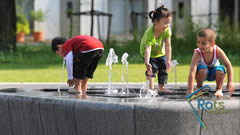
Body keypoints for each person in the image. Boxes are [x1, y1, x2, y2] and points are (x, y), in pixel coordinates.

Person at [186, 28, 235, 97]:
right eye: (198, 42)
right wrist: (190, 90)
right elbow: (192, 72)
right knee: (203, 70)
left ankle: (219, 89)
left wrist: (230, 82)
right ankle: (199, 87)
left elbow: (228, 65)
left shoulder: (217, 51)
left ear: (212, 44)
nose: (200, 45)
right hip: (202, 73)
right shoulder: (197, 53)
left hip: (214, 73)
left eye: (203, 43)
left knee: (220, 70)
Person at [139, 5, 172, 94]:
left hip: (160, 53)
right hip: (147, 53)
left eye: (169, 23)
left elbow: (168, 45)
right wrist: (147, 63)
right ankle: (151, 89)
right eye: (165, 23)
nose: (167, 25)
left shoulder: (167, 30)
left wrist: (168, 60)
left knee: (163, 68)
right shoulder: (149, 34)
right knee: (152, 68)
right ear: (156, 22)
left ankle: (161, 87)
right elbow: (148, 49)